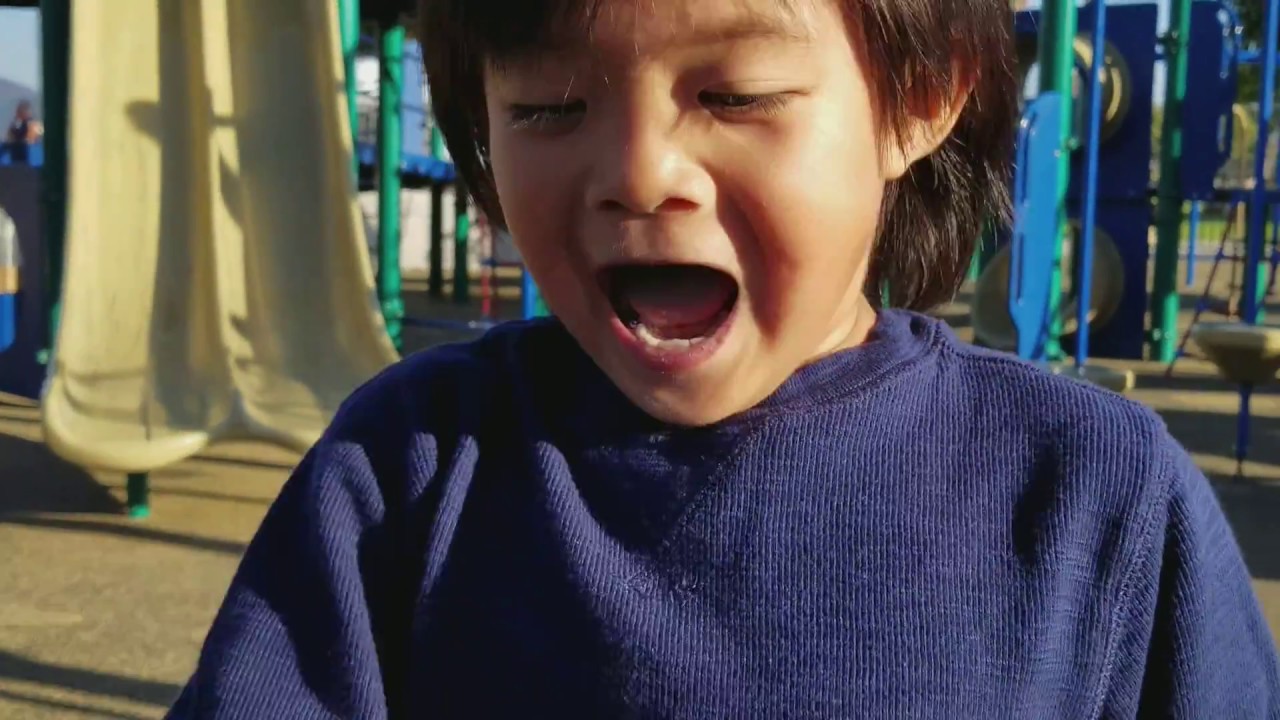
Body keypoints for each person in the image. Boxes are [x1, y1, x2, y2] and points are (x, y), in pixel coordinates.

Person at [167, 0, 1280, 716]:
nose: (639, 174)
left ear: (918, 100)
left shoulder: (1091, 494)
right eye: (548, 107)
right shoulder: (409, 471)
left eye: (734, 96)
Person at [4, 100, 42, 165]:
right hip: (16, 150)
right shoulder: (17, 122)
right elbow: (11, 136)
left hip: (28, 151)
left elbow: (36, 138)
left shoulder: (34, 123)